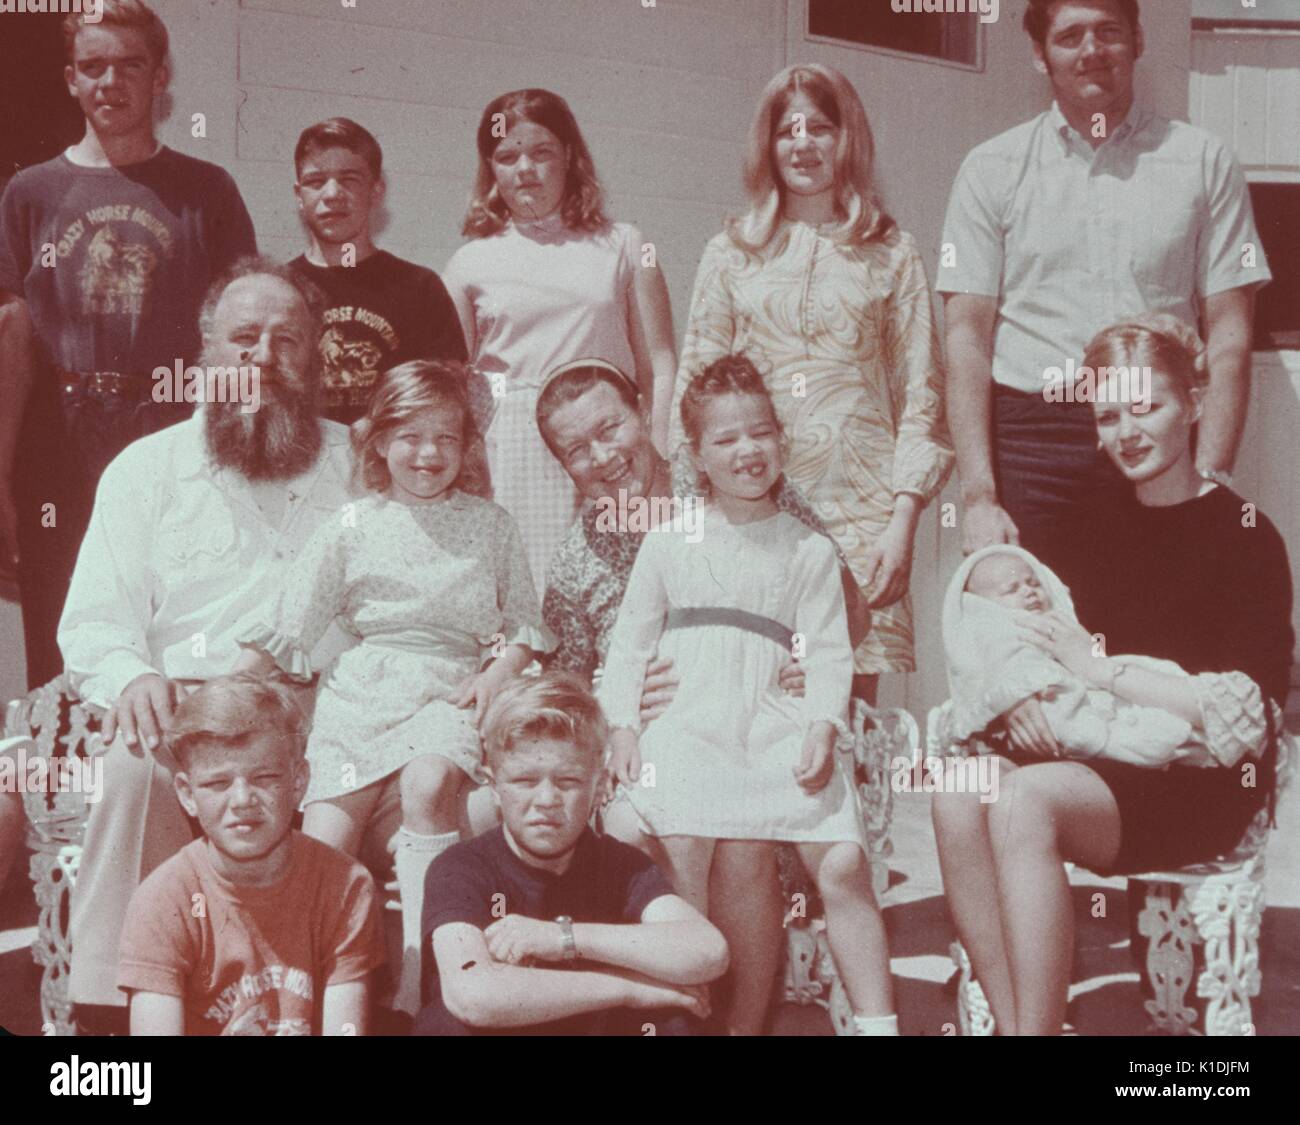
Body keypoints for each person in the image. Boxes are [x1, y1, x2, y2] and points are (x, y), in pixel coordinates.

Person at [931, 313, 1294, 1036]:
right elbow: (1024, 631)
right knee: (952, 794)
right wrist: (1022, 697)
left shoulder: (1244, 535)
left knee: (1022, 802)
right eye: (1107, 415)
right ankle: (1017, 1024)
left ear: (1192, 402)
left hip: (1197, 773)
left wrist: (1099, 668)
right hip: (1097, 752)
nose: (1126, 431)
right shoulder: (1087, 524)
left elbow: (1248, 713)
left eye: (1145, 406)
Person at [30, 259, 359, 1030]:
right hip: (185, 704)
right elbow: (94, 618)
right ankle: (114, 1015)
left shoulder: (363, 464)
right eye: (244, 338)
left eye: (288, 341)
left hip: (329, 697)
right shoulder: (146, 470)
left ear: (314, 359)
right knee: (138, 767)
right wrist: (133, 676)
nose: (263, 358)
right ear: (207, 353)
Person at [536, 356, 870, 1035]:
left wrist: (800, 664)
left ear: (644, 413)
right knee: (649, 826)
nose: (603, 456)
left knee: (741, 844)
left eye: (611, 426)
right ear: (562, 466)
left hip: (761, 729)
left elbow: (839, 610)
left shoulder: (730, 465)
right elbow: (570, 689)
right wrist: (609, 706)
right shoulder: (576, 559)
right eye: (577, 449)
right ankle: (676, 1012)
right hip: (655, 745)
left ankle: (740, 1022)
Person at [235, 360, 553, 1014]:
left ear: (467, 447)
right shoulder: (353, 525)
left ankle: (422, 976)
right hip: (362, 694)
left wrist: (498, 669)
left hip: (450, 687)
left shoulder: (491, 525)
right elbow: (288, 621)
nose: (428, 452)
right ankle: (298, 999)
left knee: (429, 783)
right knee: (322, 839)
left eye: (445, 437)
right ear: (379, 440)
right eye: (409, 435)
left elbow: (525, 623)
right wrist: (225, 698)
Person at [937, 0, 1270, 566]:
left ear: (1138, 40)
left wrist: (1209, 479)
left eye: (1108, 32)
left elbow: (1231, 336)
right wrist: (979, 496)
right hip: (1033, 438)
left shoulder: (1203, 161)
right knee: (1035, 628)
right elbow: (967, 339)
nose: (1091, 51)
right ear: (1040, 56)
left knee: (1163, 627)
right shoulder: (990, 168)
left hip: (1159, 430)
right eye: (1069, 37)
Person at [670, 63, 953, 702]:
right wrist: (696, 518)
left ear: (847, 139)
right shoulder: (731, 252)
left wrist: (902, 522)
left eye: (821, 129)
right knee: (746, 701)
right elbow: (693, 389)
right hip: (752, 515)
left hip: (863, 523)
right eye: (787, 130)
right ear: (766, 145)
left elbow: (923, 398)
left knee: (843, 714)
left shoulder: (892, 252)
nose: (804, 145)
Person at [0, 0, 257, 689]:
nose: (110, 81)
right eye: (93, 66)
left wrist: (237, 454)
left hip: (173, 430)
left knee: (176, 618)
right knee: (65, 624)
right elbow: (13, 343)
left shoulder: (207, 190)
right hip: (59, 445)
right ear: (70, 79)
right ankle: (67, 783)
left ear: (159, 76)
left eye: (129, 65)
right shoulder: (30, 192)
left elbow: (238, 333)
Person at [442, 88, 677, 582]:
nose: (524, 168)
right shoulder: (468, 263)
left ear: (570, 156)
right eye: (507, 156)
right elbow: (452, 384)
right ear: (492, 169)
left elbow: (658, 362)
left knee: (617, 585)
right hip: (510, 453)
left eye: (541, 151)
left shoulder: (628, 245)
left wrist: (658, 454)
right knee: (526, 593)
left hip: (606, 449)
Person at [414, 672, 728, 1036]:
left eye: (568, 782)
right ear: (494, 786)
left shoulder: (621, 866)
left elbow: (709, 951)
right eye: (525, 781)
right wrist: (632, 989)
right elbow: (473, 995)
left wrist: (561, 938)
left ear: (597, 786)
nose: (547, 800)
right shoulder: (460, 867)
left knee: (675, 1020)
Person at [118, 674, 385, 1036]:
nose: (243, 800)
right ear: (186, 794)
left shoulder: (345, 885)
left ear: (298, 782)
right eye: (217, 783)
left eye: (264, 778)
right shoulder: (164, 899)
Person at [945, 545, 1227, 769]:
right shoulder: (998, 635)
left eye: (1033, 582)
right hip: (1054, 718)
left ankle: (1187, 728)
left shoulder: (1061, 623)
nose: (1029, 591)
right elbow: (1005, 667)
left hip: (1095, 693)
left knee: (1148, 690)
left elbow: (1093, 658)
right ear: (984, 608)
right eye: (1012, 589)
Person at [288, 118, 467, 426]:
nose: (332, 194)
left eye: (350, 179)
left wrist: (378, 429)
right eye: (316, 181)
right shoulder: (278, 288)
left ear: (376, 191)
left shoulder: (419, 287)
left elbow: (448, 392)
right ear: (299, 196)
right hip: (301, 466)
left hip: (388, 465)